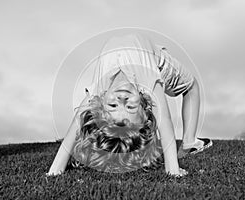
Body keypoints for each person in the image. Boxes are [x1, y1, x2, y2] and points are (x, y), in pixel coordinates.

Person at [47, 34, 212, 177]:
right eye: (130, 108)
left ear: (101, 102)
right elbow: (165, 123)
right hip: (156, 60)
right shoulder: (147, 83)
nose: (121, 99)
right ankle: (189, 142)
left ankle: (189, 141)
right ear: (144, 106)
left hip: (140, 50)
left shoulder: (99, 89)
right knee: (191, 86)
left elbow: (74, 128)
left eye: (113, 105)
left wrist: (56, 168)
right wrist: (173, 169)